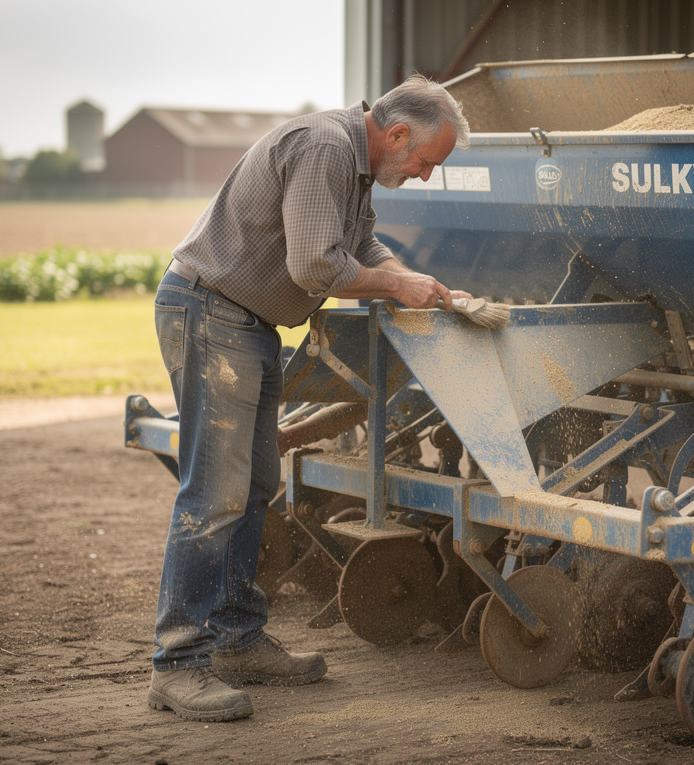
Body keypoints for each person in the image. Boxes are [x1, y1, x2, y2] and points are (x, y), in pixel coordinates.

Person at [146, 75, 471, 722]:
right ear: (398, 132)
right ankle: (177, 664)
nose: (425, 176)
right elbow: (317, 268)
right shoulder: (324, 147)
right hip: (212, 313)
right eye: (426, 162)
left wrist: (415, 281)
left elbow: (361, 249)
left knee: (257, 482)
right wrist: (393, 289)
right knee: (216, 493)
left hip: (248, 323)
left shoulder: (352, 167)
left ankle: (237, 640)